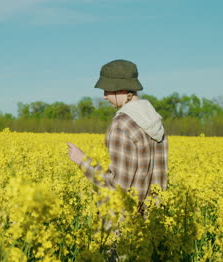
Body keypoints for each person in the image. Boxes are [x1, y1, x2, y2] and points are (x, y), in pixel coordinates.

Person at [67, 59, 168, 208]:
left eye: (107, 89)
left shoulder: (122, 124)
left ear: (121, 89)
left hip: (124, 222)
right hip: (152, 221)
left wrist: (82, 160)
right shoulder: (155, 121)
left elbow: (117, 187)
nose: (104, 96)